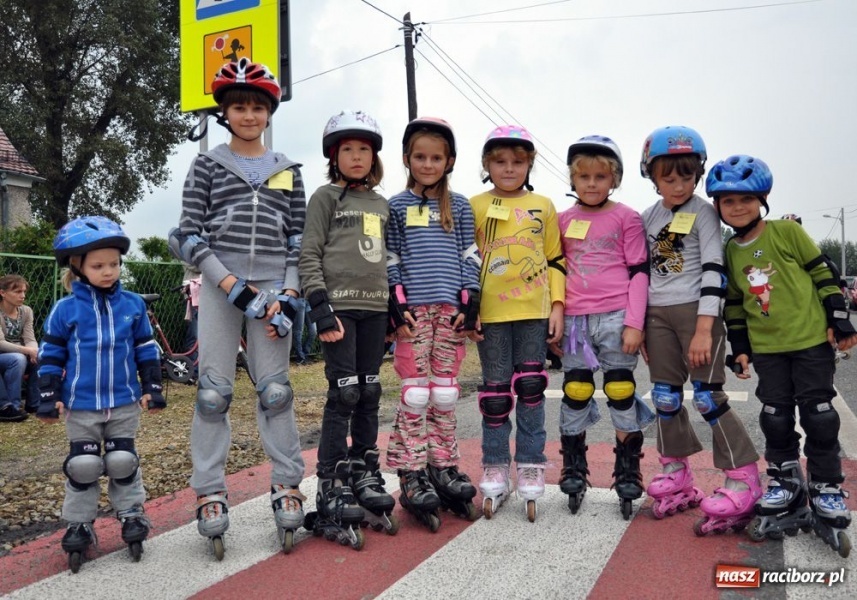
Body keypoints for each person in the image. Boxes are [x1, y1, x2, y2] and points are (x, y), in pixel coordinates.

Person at [169, 57, 307, 557]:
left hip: (274, 289)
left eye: (257, 107)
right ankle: (209, 492)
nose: (248, 115)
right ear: (225, 113)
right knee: (212, 393)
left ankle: (288, 483)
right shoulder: (207, 164)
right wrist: (229, 285)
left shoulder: (289, 170)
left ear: (269, 112)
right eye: (238, 107)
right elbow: (186, 234)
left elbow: (298, 238)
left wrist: (289, 295)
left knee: (275, 391)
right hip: (220, 285)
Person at [708, 154, 855, 556]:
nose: (737, 208)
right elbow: (735, 304)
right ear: (718, 206)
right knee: (774, 416)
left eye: (745, 199)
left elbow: (824, 271)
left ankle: (826, 486)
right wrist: (740, 350)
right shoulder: (731, 250)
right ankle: (785, 481)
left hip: (809, 341)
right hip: (768, 349)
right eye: (727, 201)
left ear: (763, 199)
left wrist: (839, 318)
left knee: (820, 415)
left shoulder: (787, 232)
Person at [639, 126, 761, 535]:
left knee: (708, 397)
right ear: (652, 176)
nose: (678, 185)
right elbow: (642, 276)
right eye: (668, 177)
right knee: (665, 397)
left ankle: (744, 476)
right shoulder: (649, 217)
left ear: (698, 175)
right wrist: (639, 325)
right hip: (658, 314)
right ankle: (677, 471)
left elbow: (714, 268)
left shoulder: (704, 213)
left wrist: (705, 329)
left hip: (697, 313)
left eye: (687, 177)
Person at [36, 216, 166, 572]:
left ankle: (132, 514)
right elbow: (51, 355)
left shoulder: (133, 305)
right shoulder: (65, 310)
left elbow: (145, 348)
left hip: (124, 402)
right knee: (84, 466)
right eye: (98, 265)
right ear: (77, 267)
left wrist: (152, 387)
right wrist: (48, 395)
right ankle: (79, 523)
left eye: (114, 263)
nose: (109, 271)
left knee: (123, 461)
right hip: (82, 406)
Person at [298, 109, 392, 548]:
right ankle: (330, 481)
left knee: (370, 390)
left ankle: (364, 471)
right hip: (339, 309)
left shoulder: (380, 204)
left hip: (376, 311)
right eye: (347, 150)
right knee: (344, 393)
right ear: (334, 157)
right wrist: (320, 308)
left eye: (364, 149)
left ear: (374, 157)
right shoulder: (325, 197)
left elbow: (386, 260)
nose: (357, 156)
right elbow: (309, 253)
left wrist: (394, 310)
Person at [385, 117, 481, 530]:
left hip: (450, 313)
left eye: (436, 157)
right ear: (407, 159)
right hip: (413, 314)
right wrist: (395, 300)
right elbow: (391, 259)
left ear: (450, 161)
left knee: (443, 393)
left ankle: (442, 464)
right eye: (420, 157)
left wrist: (471, 298)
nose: (428, 164)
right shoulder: (396, 206)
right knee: (415, 394)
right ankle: (410, 470)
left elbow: (469, 256)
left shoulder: (458, 206)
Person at [553, 136, 654, 519]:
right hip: (576, 318)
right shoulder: (563, 220)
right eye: (584, 177)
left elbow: (639, 272)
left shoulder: (626, 217)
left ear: (614, 179)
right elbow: (556, 271)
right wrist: (557, 314)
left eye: (600, 176)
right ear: (573, 180)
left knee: (620, 389)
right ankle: (573, 466)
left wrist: (635, 322)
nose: (592, 183)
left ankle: (628, 470)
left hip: (616, 314)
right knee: (576, 389)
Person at [469, 125, 565, 522]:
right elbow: (465, 261)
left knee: (530, 387)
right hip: (490, 313)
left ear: (530, 164)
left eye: (518, 162)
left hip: (533, 309)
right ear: (487, 164)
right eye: (500, 161)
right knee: (494, 396)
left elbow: (556, 259)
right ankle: (494, 465)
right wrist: (469, 306)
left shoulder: (543, 205)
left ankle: (529, 464)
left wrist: (557, 304)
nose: (509, 169)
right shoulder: (472, 204)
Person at [291, 296, 317, 365]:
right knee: (298, 330)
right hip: (298, 299)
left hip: (308, 300)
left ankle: (305, 354)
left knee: (313, 331)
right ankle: (300, 357)